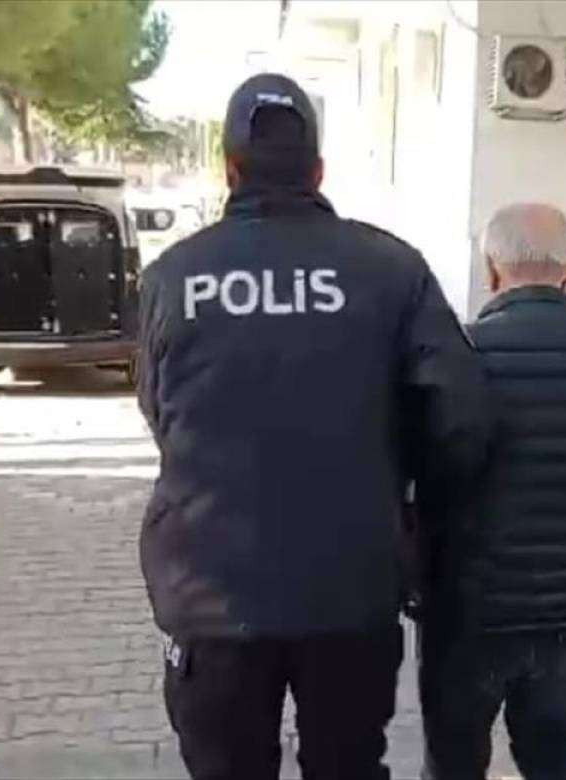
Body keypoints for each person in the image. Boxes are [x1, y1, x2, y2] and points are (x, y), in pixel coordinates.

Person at [135, 73, 492, 780]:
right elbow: (462, 415)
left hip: (212, 588)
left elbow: (157, 408)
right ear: (319, 171)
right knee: (347, 765)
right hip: (351, 587)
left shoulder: (172, 277)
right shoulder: (390, 268)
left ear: (229, 170)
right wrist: (407, 502)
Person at [417, 203, 566, 780]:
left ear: (491, 270)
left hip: (469, 605)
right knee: (554, 753)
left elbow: (422, 471)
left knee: (454, 760)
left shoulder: (455, 356)